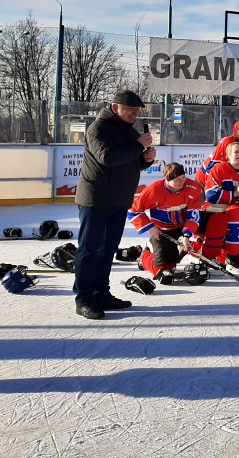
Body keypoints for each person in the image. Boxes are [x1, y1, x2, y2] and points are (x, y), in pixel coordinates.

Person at [74, 90, 156, 319]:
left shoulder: (128, 131)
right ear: (114, 107)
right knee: (89, 250)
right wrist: (139, 146)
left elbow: (126, 161)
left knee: (107, 249)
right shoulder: (97, 129)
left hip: (118, 200)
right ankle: (84, 299)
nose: (134, 114)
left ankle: (101, 293)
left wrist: (143, 160)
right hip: (96, 200)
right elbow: (107, 158)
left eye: (137, 111)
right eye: (130, 109)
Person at [128, 162, 203, 280]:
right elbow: (133, 210)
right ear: (167, 179)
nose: (182, 182)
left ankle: (191, 249)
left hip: (183, 227)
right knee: (164, 271)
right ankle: (145, 257)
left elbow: (194, 215)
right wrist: (150, 227)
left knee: (211, 222)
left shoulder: (193, 187)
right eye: (177, 179)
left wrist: (186, 235)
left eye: (183, 177)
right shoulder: (154, 190)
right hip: (162, 231)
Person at [191, 141, 239, 272]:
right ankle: (233, 255)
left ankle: (222, 258)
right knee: (236, 212)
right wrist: (235, 192)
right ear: (228, 155)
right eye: (236, 152)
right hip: (212, 207)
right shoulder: (219, 169)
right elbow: (211, 194)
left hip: (231, 208)